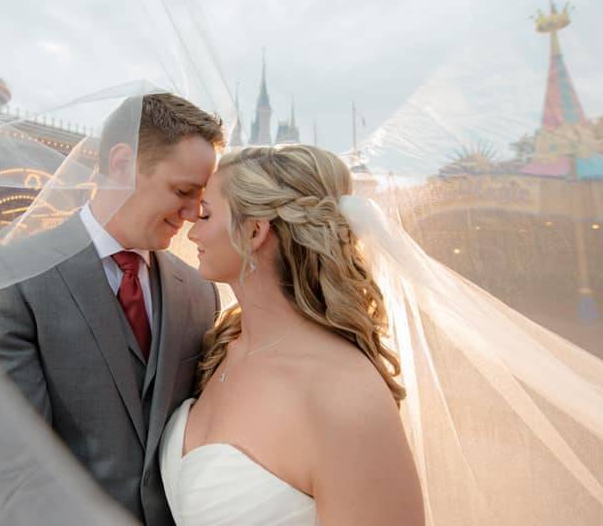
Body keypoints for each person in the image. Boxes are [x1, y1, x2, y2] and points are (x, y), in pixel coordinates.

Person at [0, 92, 224, 526]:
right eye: (183, 191)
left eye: (200, 198)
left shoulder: (200, 293)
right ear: (121, 163)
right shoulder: (5, 280)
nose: (192, 214)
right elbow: (8, 479)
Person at [160, 144, 425, 525]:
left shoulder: (344, 393)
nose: (193, 227)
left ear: (254, 231)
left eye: (206, 213)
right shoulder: (219, 348)